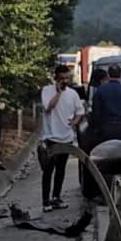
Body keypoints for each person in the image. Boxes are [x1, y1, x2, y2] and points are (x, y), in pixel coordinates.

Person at [40, 65, 84, 213]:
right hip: (51, 136)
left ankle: (56, 197)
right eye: (62, 79)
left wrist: (74, 122)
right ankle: (46, 201)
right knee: (48, 169)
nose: (65, 81)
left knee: (61, 169)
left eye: (67, 78)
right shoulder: (47, 91)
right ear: (56, 79)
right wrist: (58, 93)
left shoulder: (73, 94)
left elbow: (80, 111)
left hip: (66, 136)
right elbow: (48, 107)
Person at [90, 64, 121, 145]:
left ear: (108, 75)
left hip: (105, 129)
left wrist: (98, 127)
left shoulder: (100, 91)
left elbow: (96, 113)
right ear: (120, 74)